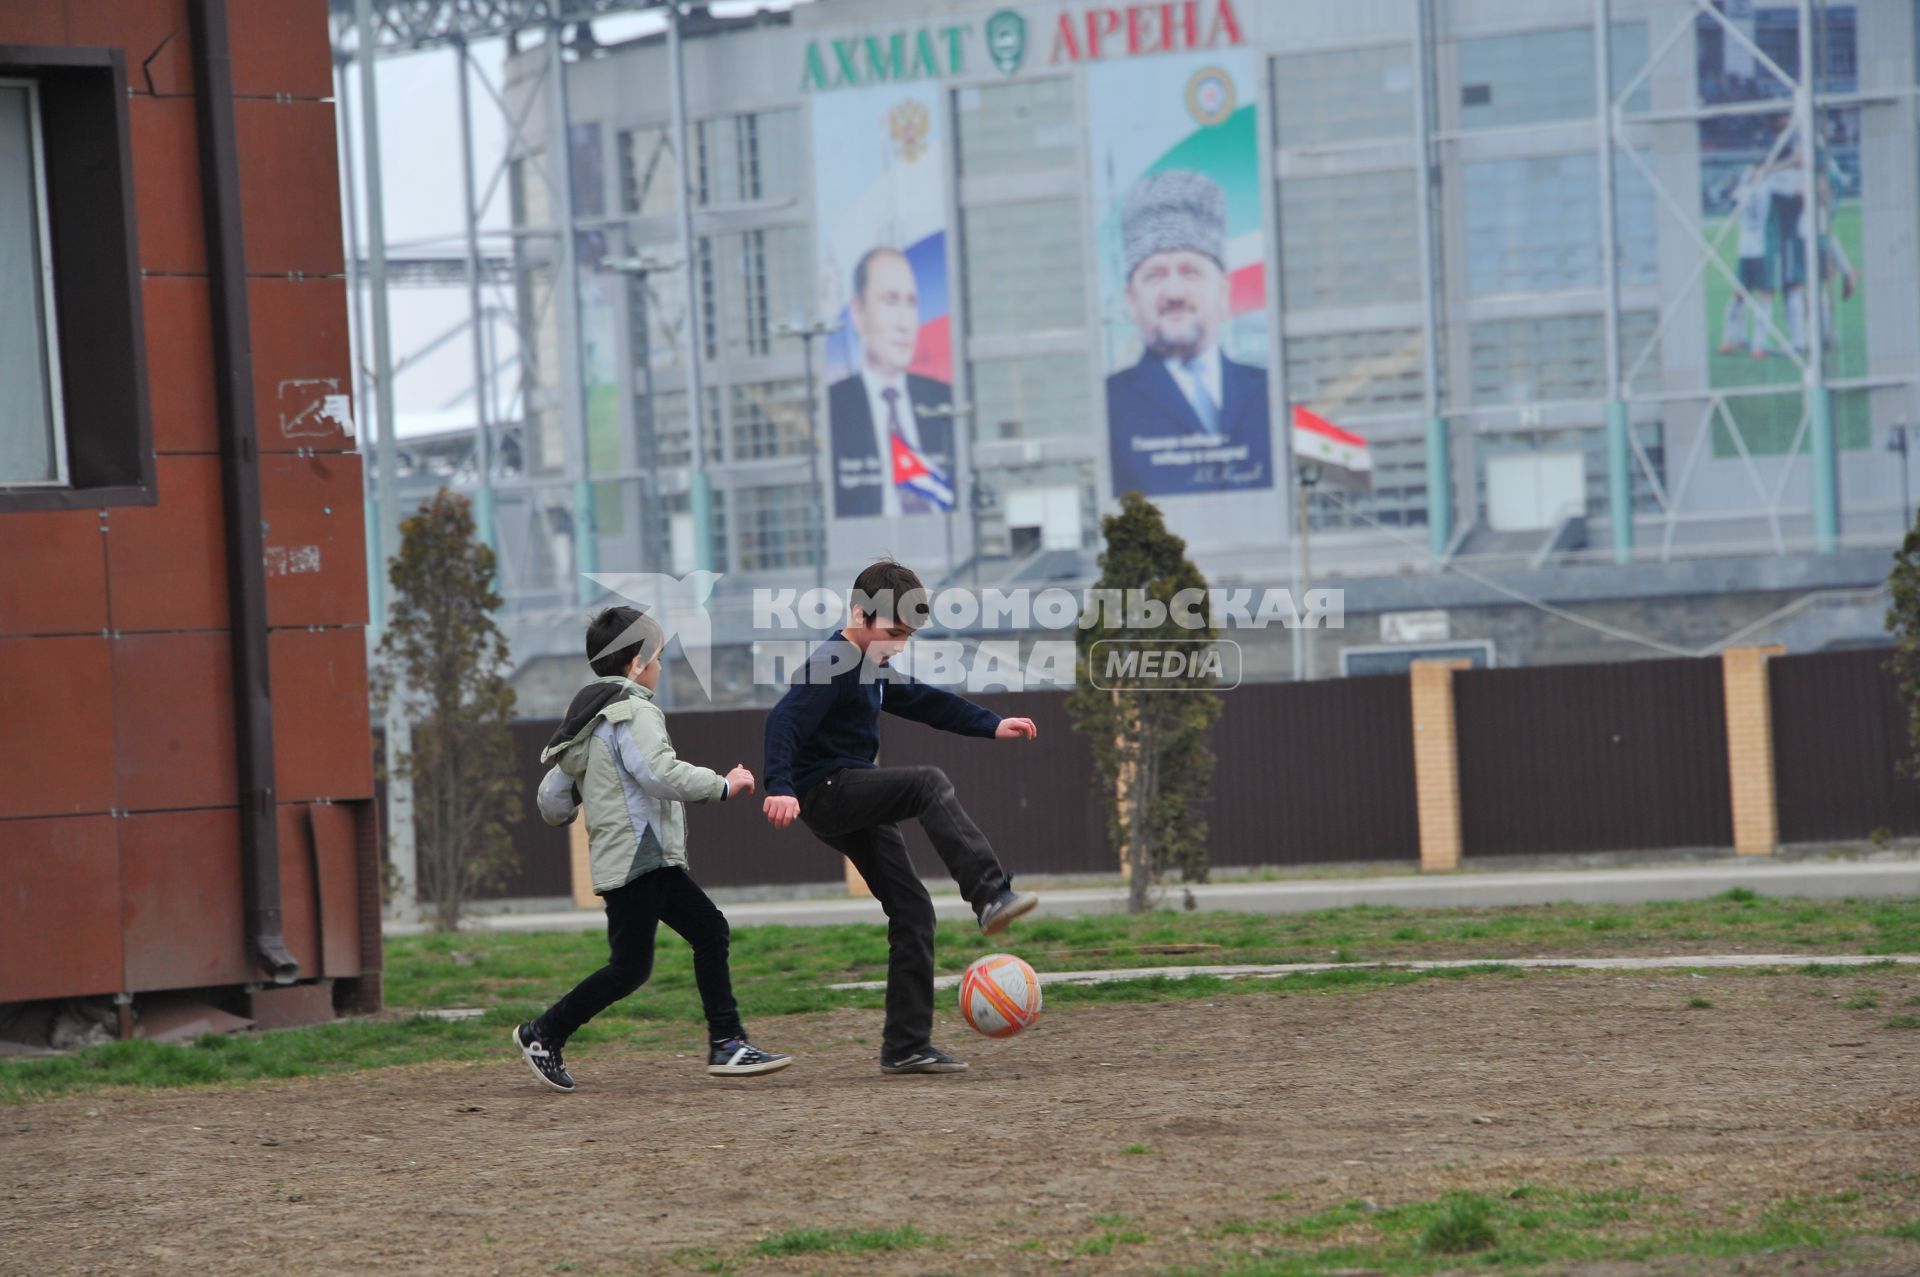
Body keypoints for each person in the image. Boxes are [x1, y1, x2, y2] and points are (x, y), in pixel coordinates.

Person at [761, 559, 1039, 1075]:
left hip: (849, 793)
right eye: (892, 633)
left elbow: (922, 700)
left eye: (907, 636)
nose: (898, 645)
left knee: (913, 910)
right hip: (825, 791)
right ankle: (989, 894)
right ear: (861, 614)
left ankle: (906, 1045)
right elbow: (784, 719)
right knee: (927, 783)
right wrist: (778, 785)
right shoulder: (834, 660)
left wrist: (992, 724)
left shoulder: (870, 664)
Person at [513, 607, 792, 1092]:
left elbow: (551, 799)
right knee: (651, 958)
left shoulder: (588, 720)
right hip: (643, 855)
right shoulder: (634, 710)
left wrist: (580, 805)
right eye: (660, 657)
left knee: (683, 943)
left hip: (629, 858)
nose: (662, 666)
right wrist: (723, 784)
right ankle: (545, 1032)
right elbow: (659, 773)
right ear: (638, 662)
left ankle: (725, 1041)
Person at [1105, 169, 1272, 497]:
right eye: (1155, 275)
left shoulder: (1268, 391)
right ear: (1131, 300)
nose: (1174, 293)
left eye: (1190, 271)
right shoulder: (1109, 405)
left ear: (1223, 290)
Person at [826, 246, 954, 518]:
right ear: (858, 312)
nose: (904, 322)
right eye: (890, 300)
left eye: (911, 302)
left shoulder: (944, 401)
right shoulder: (834, 408)